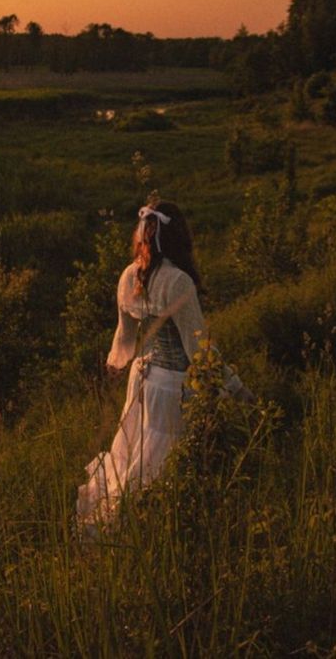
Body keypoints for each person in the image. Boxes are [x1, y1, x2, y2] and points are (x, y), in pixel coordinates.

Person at [77, 201, 253, 529]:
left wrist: (114, 364)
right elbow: (198, 349)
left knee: (141, 457)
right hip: (175, 385)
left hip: (144, 379)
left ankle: (131, 517)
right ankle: (152, 521)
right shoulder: (177, 281)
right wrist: (236, 387)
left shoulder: (130, 274)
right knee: (165, 462)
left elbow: (125, 335)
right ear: (178, 236)